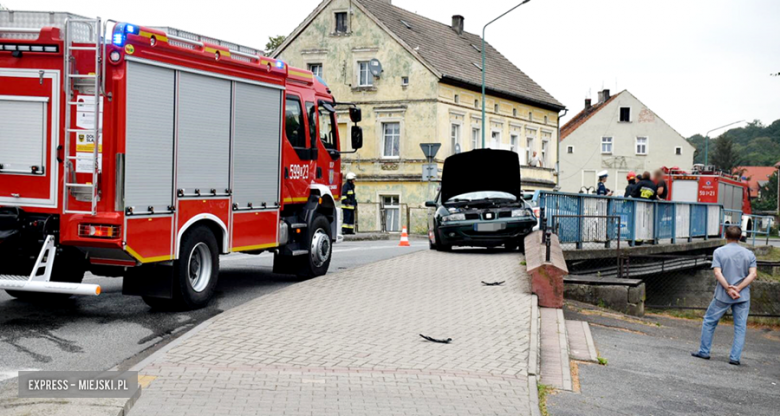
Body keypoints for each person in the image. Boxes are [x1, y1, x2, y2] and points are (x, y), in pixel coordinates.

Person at [692, 226, 757, 365]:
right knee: (740, 327)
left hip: (723, 295)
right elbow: (753, 274)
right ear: (740, 237)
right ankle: (735, 357)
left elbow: (717, 273)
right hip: (742, 296)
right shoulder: (749, 254)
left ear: (725, 235)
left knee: (709, 321)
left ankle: (704, 351)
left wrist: (728, 288)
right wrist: (738, 288)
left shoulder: (719, 252)